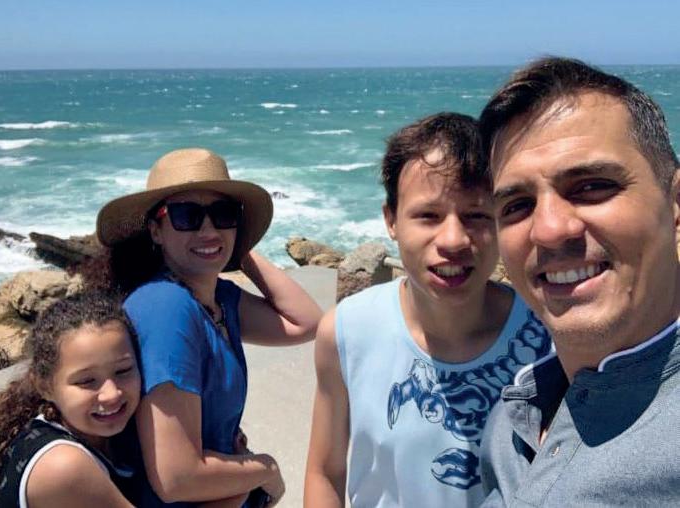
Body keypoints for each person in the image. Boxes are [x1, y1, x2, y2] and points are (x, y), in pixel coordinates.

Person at [303, 112, 552, 508]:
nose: (453, 240)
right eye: (428, 216)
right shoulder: (347, 332)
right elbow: (325, 471)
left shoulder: (549, 337)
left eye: (476, 216)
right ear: (391, 220)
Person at [478, 57, 680, 507]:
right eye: (517, 206)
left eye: (591, 186)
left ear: (676, 205)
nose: (550, 229)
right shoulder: (511, 422)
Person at [94, 147, 322, 507]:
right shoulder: (166, 307)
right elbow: (177, 477)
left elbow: (305, 322)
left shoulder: (216, 298)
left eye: (223, 214)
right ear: (156, 230)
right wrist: (265, 469)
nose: (208, 228)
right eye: (187, 216)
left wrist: (237, 249)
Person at [0, 292, 141, 508]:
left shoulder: (77, 431)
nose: (111, 393)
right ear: (45, 387)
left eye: (123, 370)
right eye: (86, 381)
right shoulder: (63, 466)